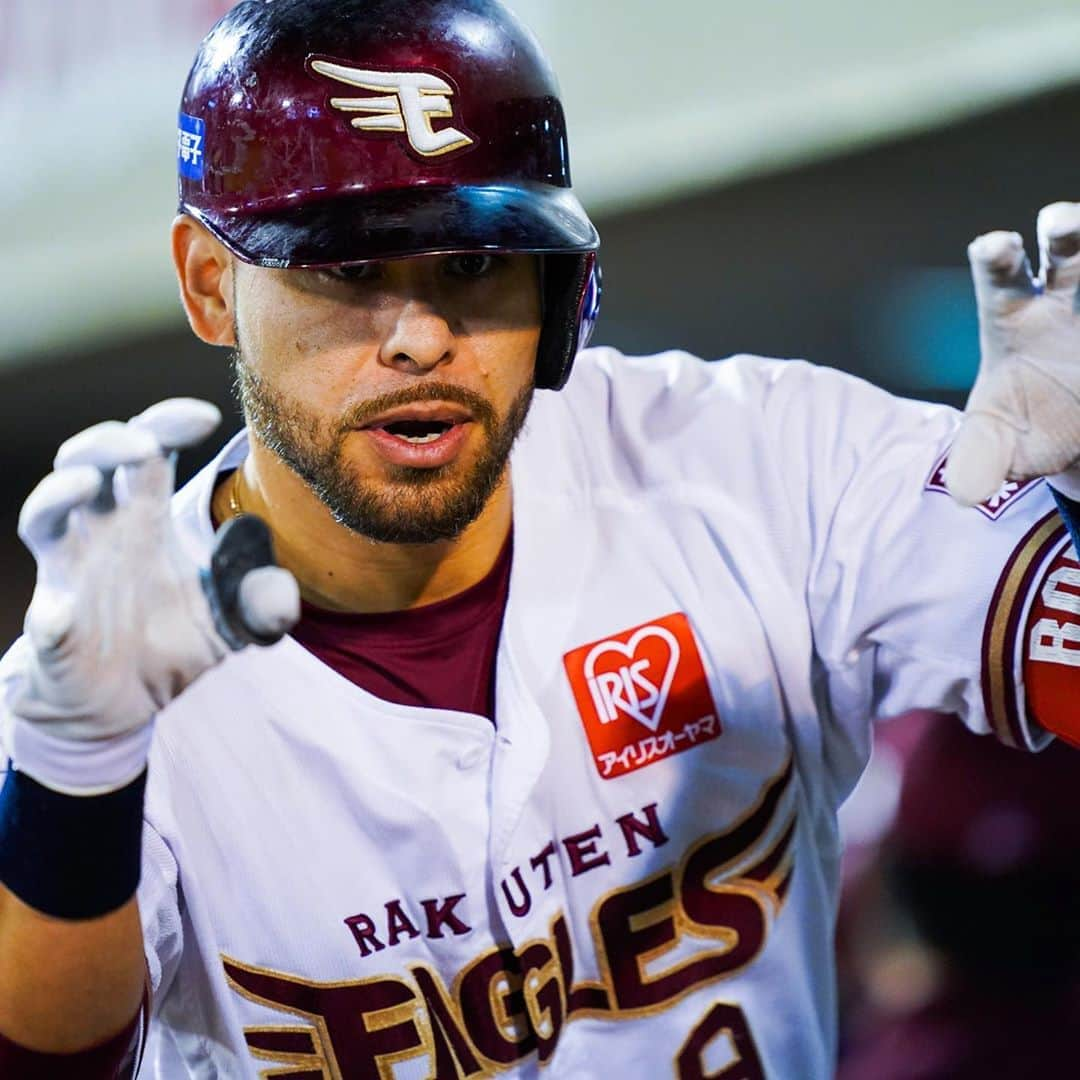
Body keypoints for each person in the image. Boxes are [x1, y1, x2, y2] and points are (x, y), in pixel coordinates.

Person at [1, 0, 1079, 1076]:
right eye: (345, 272)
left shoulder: (760, 465)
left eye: (471, 266)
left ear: (557, 286)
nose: (419, 338)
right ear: (208, 284)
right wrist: (73, 778)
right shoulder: (96, 676)